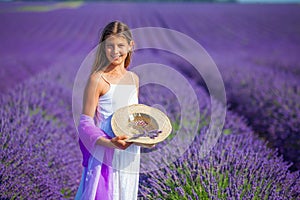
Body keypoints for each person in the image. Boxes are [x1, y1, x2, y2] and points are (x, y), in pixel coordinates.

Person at [75, 21, 151, 200]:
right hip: (106, 151)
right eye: (109, 46)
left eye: (120, 46)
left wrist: (148, 136)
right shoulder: (97, 79)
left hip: (130, 152)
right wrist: (111, 143)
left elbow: (134, 117)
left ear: (131, 46)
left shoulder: (134, 79)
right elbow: (85, 124)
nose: (115, 51)